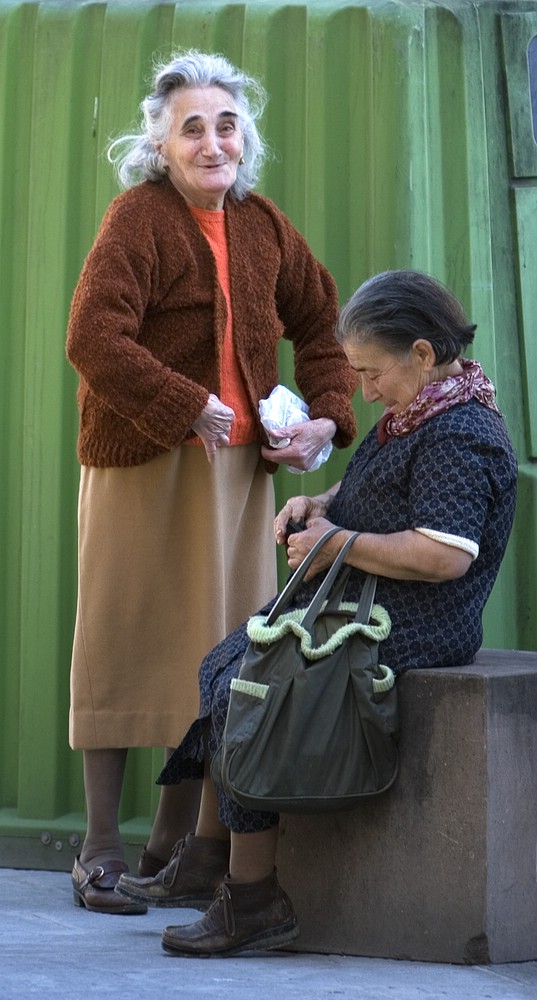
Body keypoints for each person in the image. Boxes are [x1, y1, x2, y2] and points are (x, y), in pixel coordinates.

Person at [115, 268, 518, 954]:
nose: (363, 390)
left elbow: (445, 555)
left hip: (418, 616)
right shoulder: (418, 413)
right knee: (226, 662)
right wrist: (324, 503)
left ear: (421, 353)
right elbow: (383, 489)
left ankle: (253, 901)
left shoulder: (460, 432)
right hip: (368, 599)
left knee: (260, 683)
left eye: (370, 372)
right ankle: (211, 855)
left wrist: (335, 544)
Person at [66, 49, 358, 914]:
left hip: (237, 477)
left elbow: (322, 329)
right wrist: (184, 404)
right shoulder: (138, 220)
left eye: (225, 124)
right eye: (191, 127)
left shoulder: (264, 225)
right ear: (160, 144)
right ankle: (99, 850)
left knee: (217, 657)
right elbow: (93, 337)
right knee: (119, 643)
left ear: (245, 139)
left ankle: (181, 847)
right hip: (142, 461)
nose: (211, 140)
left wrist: (326, 418)